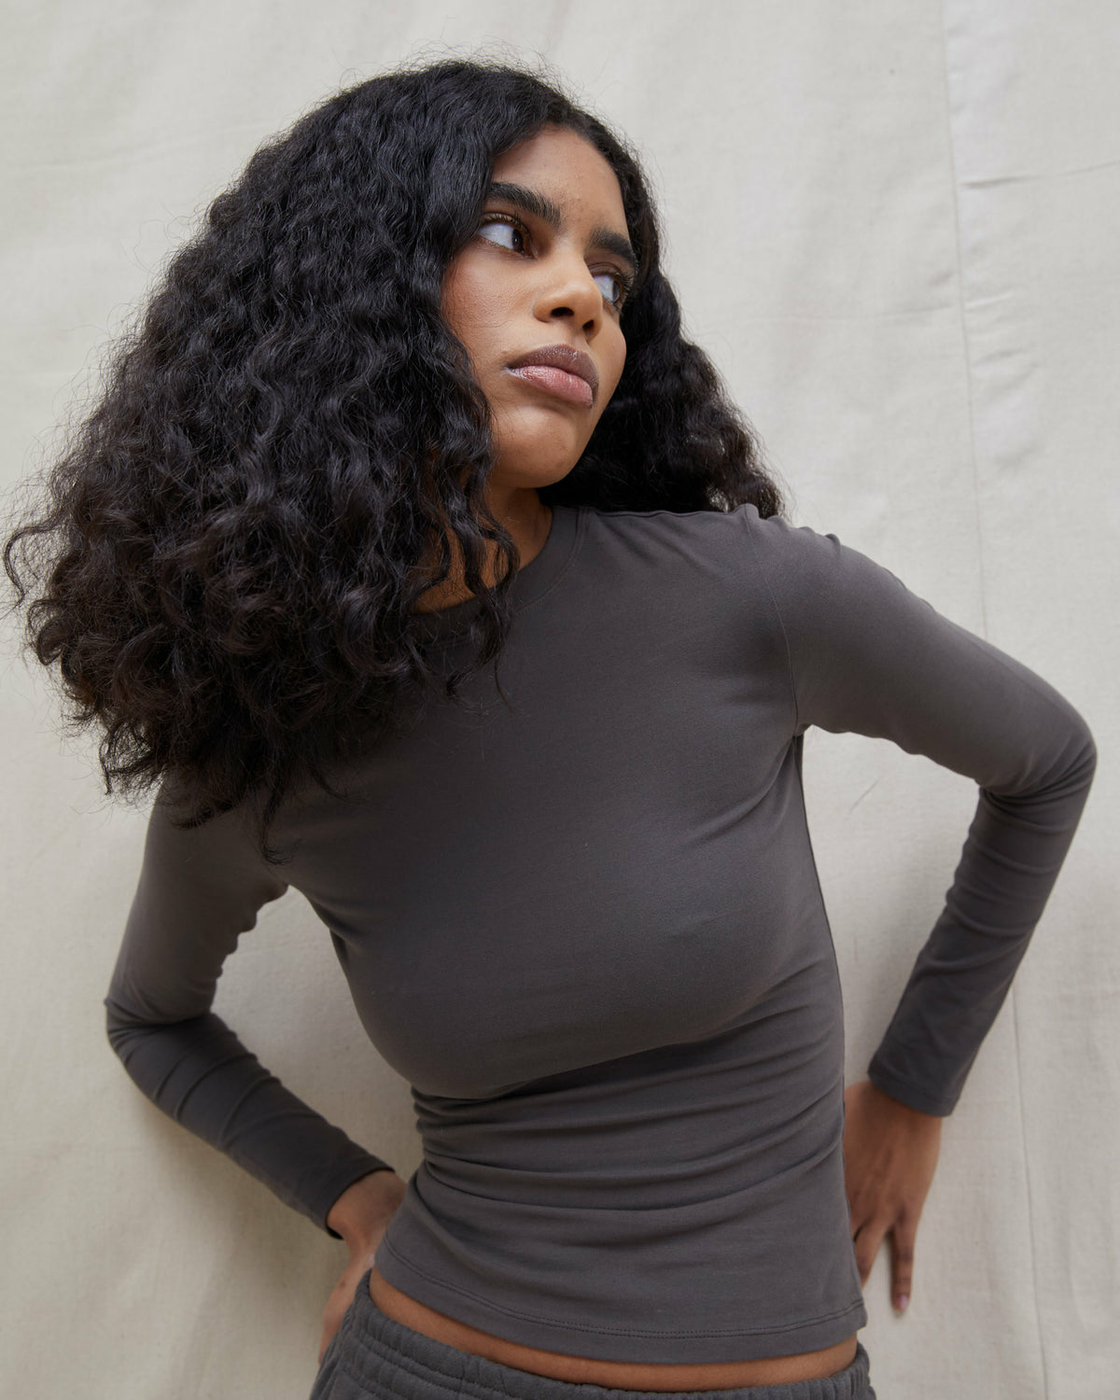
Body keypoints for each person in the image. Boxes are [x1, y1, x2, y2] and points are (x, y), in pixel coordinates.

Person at [4, 56, 1096, 1400]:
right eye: (511, 234)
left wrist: (916, 1088)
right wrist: (355, 1199)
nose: (583, 295)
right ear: (359, 285)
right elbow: (153, 1019)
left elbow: (1046, 761)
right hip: (424, 1365)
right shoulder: (272, 734)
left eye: (612, 277)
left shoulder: (743, 599)